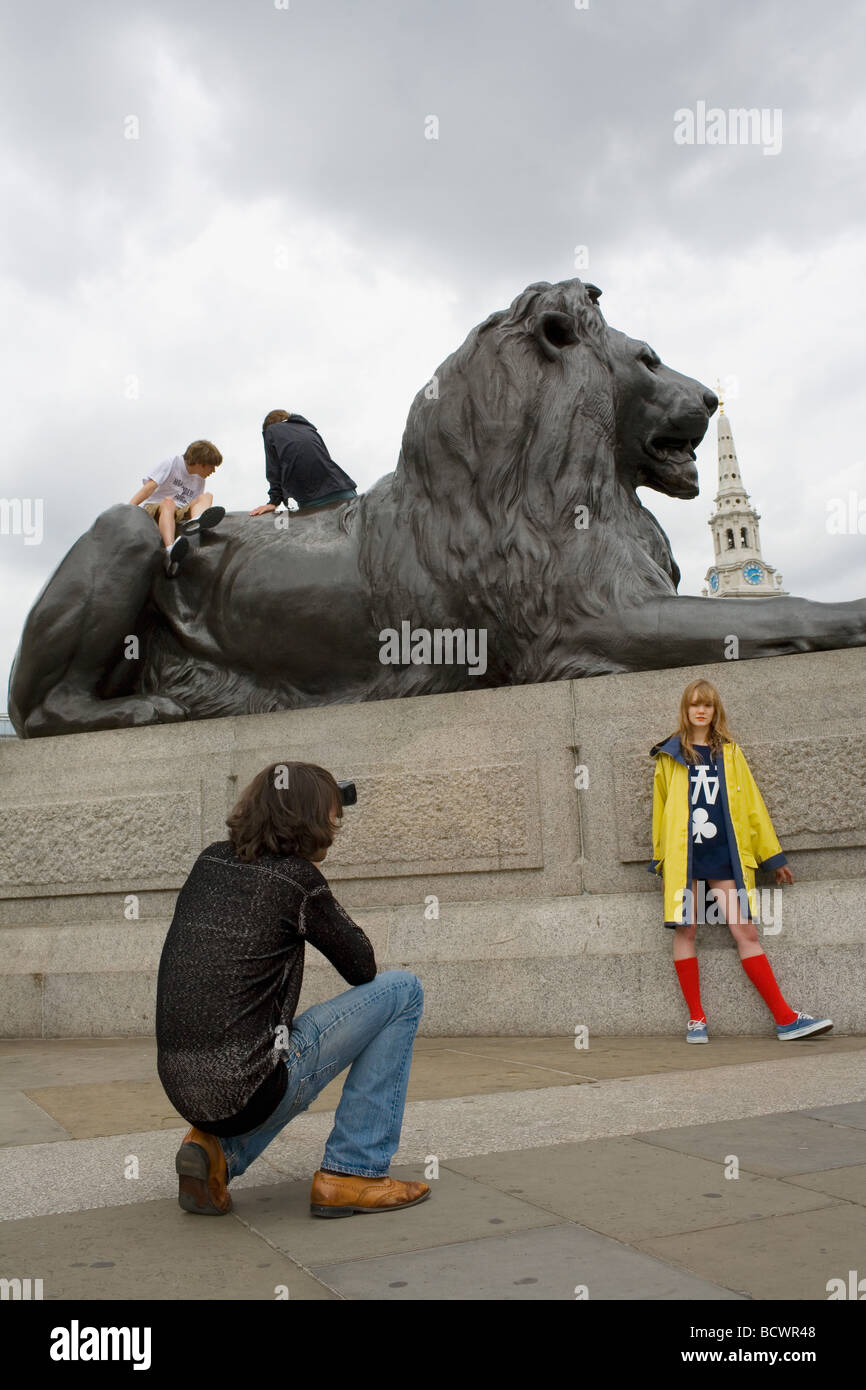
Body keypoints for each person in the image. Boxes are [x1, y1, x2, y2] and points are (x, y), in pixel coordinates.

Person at [155, 760, 429, 1218]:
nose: (335, 827)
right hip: (248, 1085)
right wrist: (316, 899)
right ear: (306, 821)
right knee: (403, 991)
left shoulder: (209, 860)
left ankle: (217, 1150)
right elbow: (362, 968)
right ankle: (354, 1172)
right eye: (330, 816)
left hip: (182, 1086)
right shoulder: (296, 881)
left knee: (256, 1063)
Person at [648, 678, 833, 1044]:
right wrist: (661, 858)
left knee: (744, 931)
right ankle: (697, 1020)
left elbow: (752, 808)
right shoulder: (670, 756)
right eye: (694, 704)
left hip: (722, 857)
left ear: (716, 711)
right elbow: (661, 809)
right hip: (685, 857)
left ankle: (784, 1019)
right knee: (687, 930)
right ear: (685, 710)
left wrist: (772, 855)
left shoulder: (730, 754)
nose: (701, 710)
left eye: (708, 704)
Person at [128, 440, 225, 576]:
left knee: (207, 496)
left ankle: (196, 521)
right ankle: (170, 549)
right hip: (157, 507)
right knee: (169, 502)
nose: (213, 471)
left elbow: (195, 501)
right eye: (211, 466)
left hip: (179, 511)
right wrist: (129, 508)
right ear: (200, 462)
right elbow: (149, 488)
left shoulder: (200, 479)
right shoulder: (172, 463)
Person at [249, 408, 357, 517]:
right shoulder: (309, 429)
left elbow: (274, 468)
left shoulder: (271, 430)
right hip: (344, 490)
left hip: (313, 501)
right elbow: (324, 458)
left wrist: (274, 501)